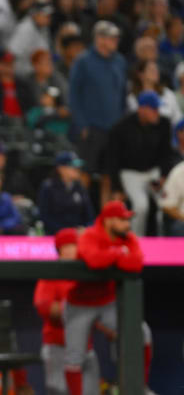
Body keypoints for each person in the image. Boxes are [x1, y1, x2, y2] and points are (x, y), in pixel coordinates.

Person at [64, 201, 143, 395]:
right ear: (109, 220)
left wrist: (111, 255)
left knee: (142, 333)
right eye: (123, 220)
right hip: (79, 303)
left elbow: (136, 263)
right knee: (75, 357)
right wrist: (117, 253)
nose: (128, 224)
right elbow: (93, 260)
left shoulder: (129, 238)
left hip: (107, 303)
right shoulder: (90, 235)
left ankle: (140, 388)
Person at [34, 228, 100, 395]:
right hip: (58, 345)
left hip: (85, 347)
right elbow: (44, 306)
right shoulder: (52, 274)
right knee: (60, 391)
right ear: (60, 250)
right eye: (67, 246)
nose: (72, 250)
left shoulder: (86, 276)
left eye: (75, 246)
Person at [108, 92, 174, 236]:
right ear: (142, 109)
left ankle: (166, 240)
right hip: (131, 173)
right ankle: (137, 241)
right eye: (153, 109)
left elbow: (166, 153)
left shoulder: (164, 124)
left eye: (157, 109)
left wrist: (164, 175)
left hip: (153, 171)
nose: (157, 113)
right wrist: (117, 187)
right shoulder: (122, 128)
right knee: (141, 206)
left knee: (167, 203)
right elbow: (114, 160)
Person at [69, 21, 127, 186]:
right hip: (91, 129)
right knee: (84, 172)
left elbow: (122, 95)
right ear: (100, 38)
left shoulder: (120, 61)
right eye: (112, 38)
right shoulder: (83, 62)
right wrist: (82, 125)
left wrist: (121, 124)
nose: (116, 41)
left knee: (109, 175)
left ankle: (107, 212)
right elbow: (74, 95)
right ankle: (81, 209)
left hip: (113, 129)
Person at [37, 151, 94, 235]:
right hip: (56, 235)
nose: (77, 169)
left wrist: (85, 228)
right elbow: (44, 216)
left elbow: (89, 215)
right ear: (61, 169)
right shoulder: (48, 187)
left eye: (78, 166)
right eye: (72, 166)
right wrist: (65, 232)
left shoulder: (79, 187)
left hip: (79, 234)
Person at [127, 59, 183, 126]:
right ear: (141, 75)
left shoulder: (167, 93)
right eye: (151, 70)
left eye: (156, 70)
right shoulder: (132, 97)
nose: (156, 72)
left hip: (167, 133)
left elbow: (178, 118)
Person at [0, 51, 34, 118]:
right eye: (5, 63)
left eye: (11, 63)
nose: (9, 66)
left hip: (22, 123)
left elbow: (31, 106)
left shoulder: (23, 84)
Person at [8, 0, 53, 77]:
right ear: (35, 14)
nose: (48, 18)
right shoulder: (24, 29)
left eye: (49, 16)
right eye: (46, 16)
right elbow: (12, 52)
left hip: (36, 73)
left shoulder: (44, 29)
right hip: (22, 74)